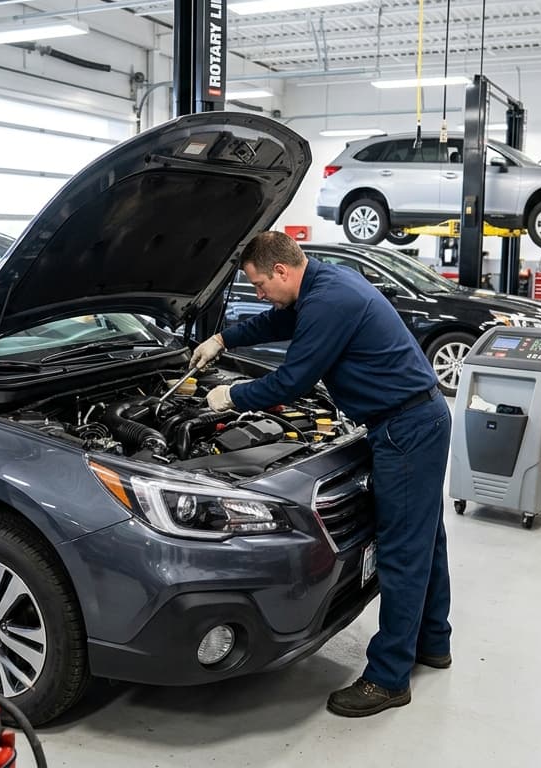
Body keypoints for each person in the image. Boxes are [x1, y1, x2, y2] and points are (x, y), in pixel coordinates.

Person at [190, 231, 453, 718]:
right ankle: (433, 642)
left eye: (260, 284)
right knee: (424, 539)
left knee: (401, 552)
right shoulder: (323, 284)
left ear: (283, 272)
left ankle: (388, 677)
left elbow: (292, 381)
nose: (260, 294)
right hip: (412, 421)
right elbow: (277, 320)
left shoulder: (329, 300)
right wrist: (224, 337)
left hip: (405, 429)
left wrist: (230, 397)